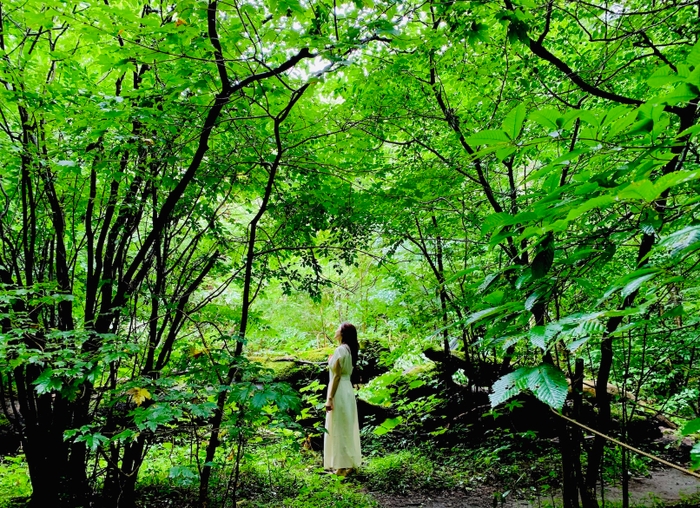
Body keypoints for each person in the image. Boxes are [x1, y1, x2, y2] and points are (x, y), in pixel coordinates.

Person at [324, 322, 362, 475]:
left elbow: (337, 376)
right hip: (348, 390)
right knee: (347, 425)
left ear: (343, 333)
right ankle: (349, 463)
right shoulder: (349, 350)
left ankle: (340, 467)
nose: (336, 330)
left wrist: (330, 398)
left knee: (338, 426)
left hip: (339, 390)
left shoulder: (340, 350)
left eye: (338, 329)